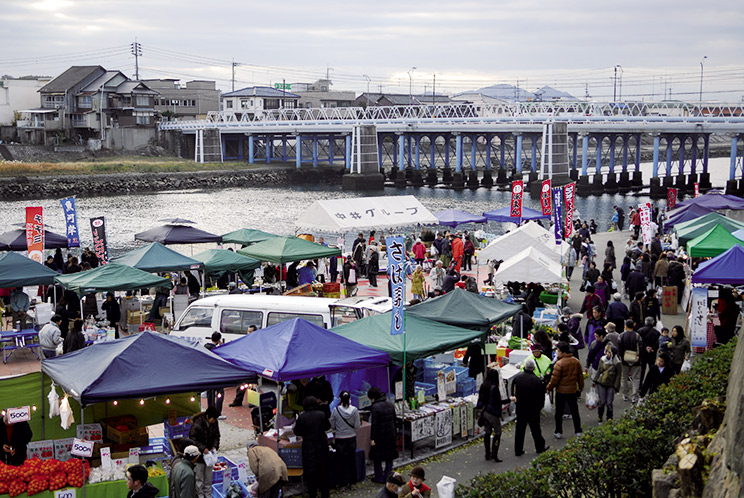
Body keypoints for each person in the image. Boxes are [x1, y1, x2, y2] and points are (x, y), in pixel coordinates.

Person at [545, 341, 584, 439]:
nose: (557, 353)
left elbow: (554, 379)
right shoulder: (576, 361)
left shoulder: (559, 363)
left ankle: (558, 431)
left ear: (562, 352)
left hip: (561, 391)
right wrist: (580, 387)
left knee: (559, 412)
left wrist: (548, 388)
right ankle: (578, 430)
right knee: (575, 411)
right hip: (572, 390)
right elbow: (580, 377)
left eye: (558, 351)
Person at [294, 397, 331, 498]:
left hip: (309, 447)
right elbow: (327, 427)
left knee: (311, 474)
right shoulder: (321, 414)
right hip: (322, 446)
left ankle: (312, 494)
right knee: (323, 472)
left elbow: (297, 431)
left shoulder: (302, 417)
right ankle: (325, 494)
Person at [510, 359, 549, 456]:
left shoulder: (517, 378)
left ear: (525, 367)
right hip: (533, 409)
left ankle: (518, 450)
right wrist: (539, 407)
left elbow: (512, 392)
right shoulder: (536, 380)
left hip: (520, 407)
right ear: (533, 368)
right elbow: (541, 396)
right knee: (535, 429)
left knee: (520, 429)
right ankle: (539, 447)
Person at [476, 368, 510, 462]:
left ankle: (487, 453)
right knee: (497, 433)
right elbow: (498, 402)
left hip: (485, 412)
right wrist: (509, 400)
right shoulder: (494, 388)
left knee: (487, 432)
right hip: (493, 413)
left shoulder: (484, 385)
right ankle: (495, 454)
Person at [188, 406, 221, 498]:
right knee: (199, 478)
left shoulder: (215, 423)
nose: (214, 421)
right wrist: (203, 448)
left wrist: (215, 446)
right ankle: (200, 495)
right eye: (213, 419)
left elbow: (217, 436)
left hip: (209, 456)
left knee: (208, 478)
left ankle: (208, 495)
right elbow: (193, 439)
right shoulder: (197, 424)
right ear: (207, 416)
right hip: (198, 456)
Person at [330, 391, 360, 488]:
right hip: (351, 438)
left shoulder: (336, 410)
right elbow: (357, 426)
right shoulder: (355, 410)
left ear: (340, 399)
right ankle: (353, 482)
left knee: (340, 462)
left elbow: (332, 425)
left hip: (340, 439)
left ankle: (341, 482)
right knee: (352, 461)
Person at [367, 386, 398, 483]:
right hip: (390, 434)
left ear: (372, 398)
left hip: (380, 437)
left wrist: (372, 439)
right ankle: (387, 477)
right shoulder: (390, 404)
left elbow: (374, 425)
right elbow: (394, 420)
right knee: (389, 458)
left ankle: (379, 477)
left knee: (377, 458)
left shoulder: (375, 407)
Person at [592, 344, 622, 423]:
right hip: (601, 383)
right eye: (607, 351)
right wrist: (594, 381)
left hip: (611, 385)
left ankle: (609, 418)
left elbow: (618, 376)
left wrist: (616, 388)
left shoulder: (617, 363)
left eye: (609, 352)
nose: (607, 353)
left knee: (609, 403)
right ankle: (600, 416)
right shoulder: (602, 359)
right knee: (602, 402)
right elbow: (599, 370)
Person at [618, 320, 642, 403]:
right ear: (634, 325)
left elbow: (619, 349)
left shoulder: (621, 335)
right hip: (636, 360)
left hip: (624, 360)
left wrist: (621, 357)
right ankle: (634, 396)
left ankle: (625, 394)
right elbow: (641, 347)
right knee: (636, 378)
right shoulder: (637, 336)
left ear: (625, 326)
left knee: (624, 378)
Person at [204, 332, 225, 416]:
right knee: (220, 393)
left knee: (210, 393)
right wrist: (222, 346)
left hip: (208, 374)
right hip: (217, 374)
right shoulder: (217, 350)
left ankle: (210, 410)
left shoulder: (205, 347)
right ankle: (217, 412)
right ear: (219, 340)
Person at [637, 317, 660, 384]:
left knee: (642, 369)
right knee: (651, 368)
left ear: (645, 322)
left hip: (642, 353)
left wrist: (644, 348)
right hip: (652, 353)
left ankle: (640, 384)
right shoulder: (656, 333)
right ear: (653, 323)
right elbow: (657, 344)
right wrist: (652, 348)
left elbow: (639, 343)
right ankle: (650, 383)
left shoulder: (640, 331)